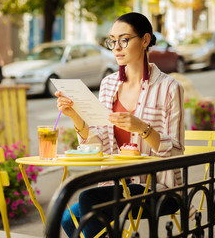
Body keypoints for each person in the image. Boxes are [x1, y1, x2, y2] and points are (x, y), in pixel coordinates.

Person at [56, 12, 185, 238]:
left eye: (124, 40)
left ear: (145, 40)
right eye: (112, 41)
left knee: (88, 200)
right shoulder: (108, 85)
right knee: (69, 218)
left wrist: (144, 129)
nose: (116, 47)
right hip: (114, 185)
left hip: (157, 188)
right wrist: (75, 116)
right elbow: (101, 146)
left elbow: (176, 151)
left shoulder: (169, 88)